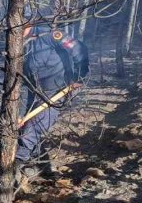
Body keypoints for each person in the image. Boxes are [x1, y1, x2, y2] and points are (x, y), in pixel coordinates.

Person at [16, 24, 89, 181]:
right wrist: (20, 114)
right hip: (36, 93)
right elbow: (23, 82)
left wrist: (79, 76)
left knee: (36, 126)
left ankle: (13, 168)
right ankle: (43, 167)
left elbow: (78, 49)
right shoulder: (21, 47)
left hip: (58, 91)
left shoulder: (50, 36)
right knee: (27, 127)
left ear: (26, 25)